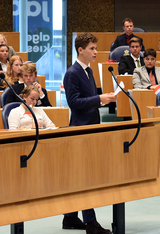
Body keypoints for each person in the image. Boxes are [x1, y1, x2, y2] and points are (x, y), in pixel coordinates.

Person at [63, 32, 116, 234]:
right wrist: (100, 99)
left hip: (91, 126)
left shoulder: (89, 71)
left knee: (80, 176)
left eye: (96, 48)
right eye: (92, 48)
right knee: (84, 176)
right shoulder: (72, 73)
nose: (96, 52)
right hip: (80, 129)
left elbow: (91, 98)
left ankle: (69, 217)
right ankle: (90, 222)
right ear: (80, 50)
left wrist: (104, 98)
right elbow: (74, 103)